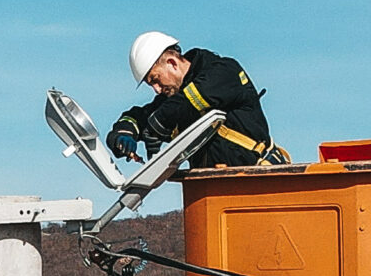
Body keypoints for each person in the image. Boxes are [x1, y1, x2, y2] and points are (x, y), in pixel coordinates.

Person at [107, 32, 288, 172]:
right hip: (214, 192)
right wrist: (123, 135)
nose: (156, 89)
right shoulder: (172, 101)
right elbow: (138, 116)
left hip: (260, 182)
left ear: (172, 63)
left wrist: (157, 124)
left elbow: (189, 101)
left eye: (156, 79)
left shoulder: (224, 72)